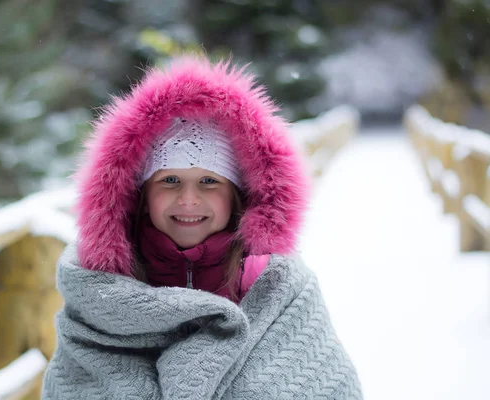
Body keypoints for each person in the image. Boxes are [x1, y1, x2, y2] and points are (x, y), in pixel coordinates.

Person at [42, 55, 362, 399]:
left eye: (209, 181)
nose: (189, 199)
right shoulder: (99, 297)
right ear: (141, 195)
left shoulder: (277, 288)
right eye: (170, 180)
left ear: (236, 195)